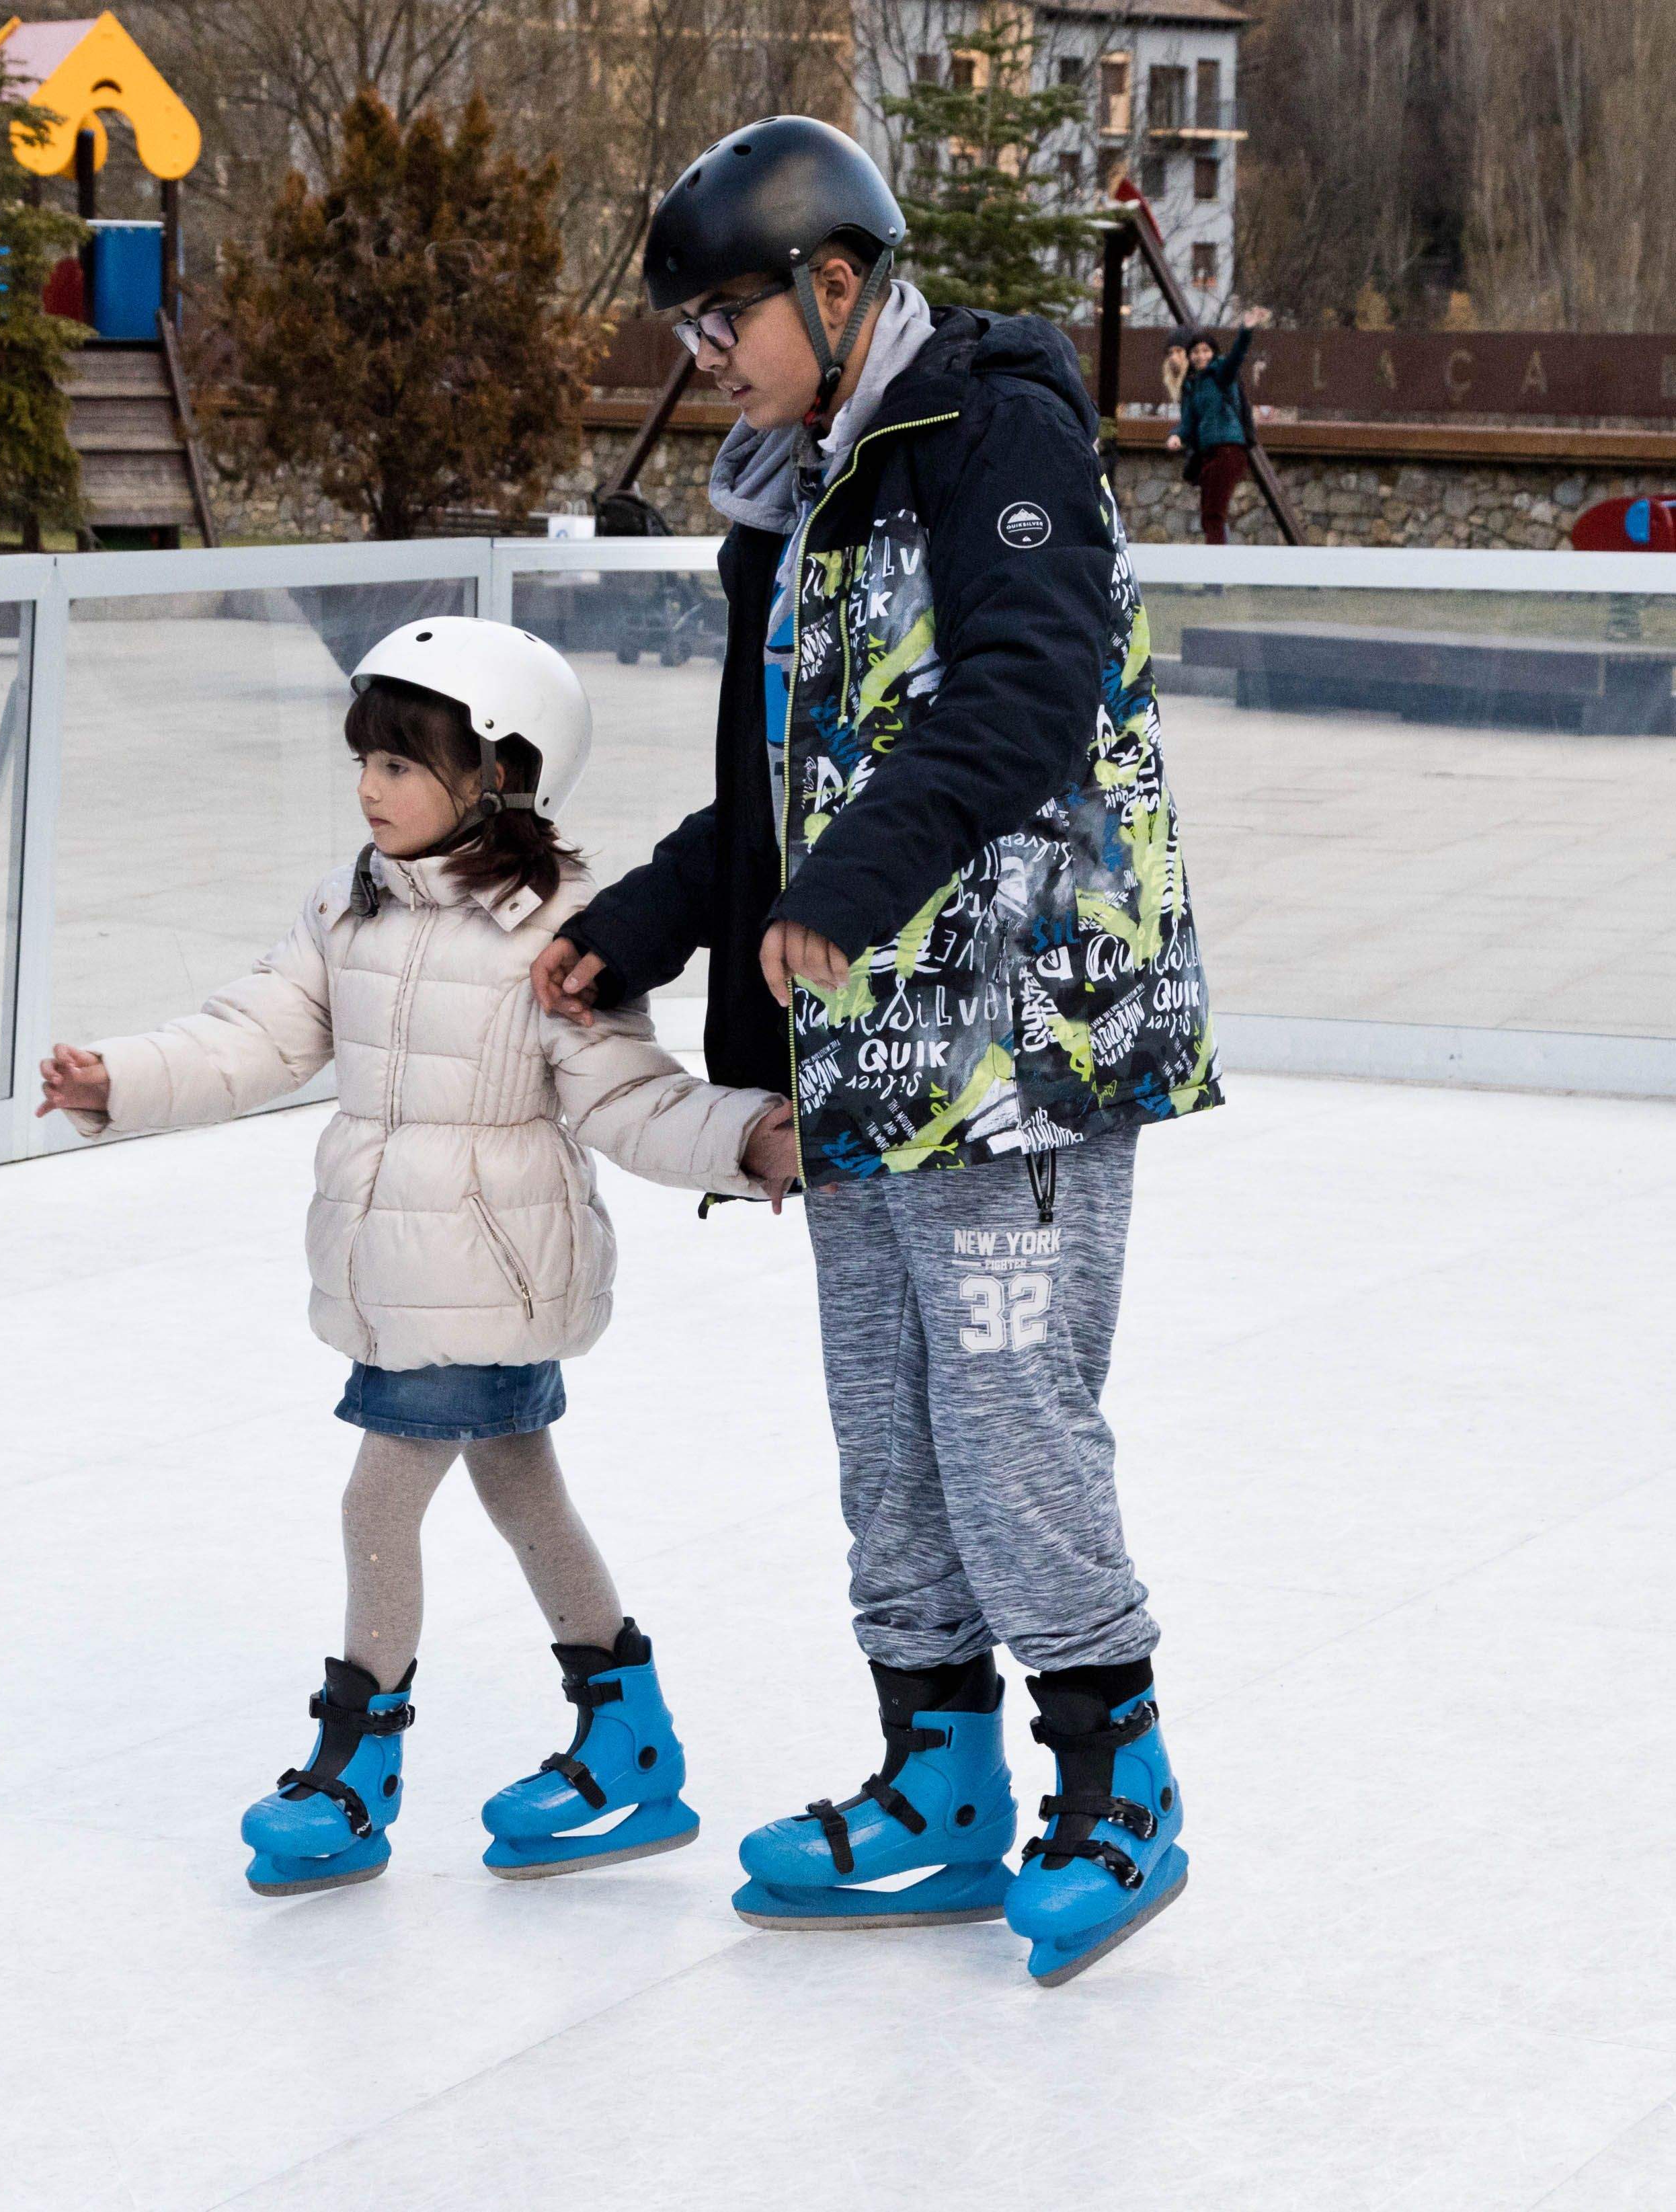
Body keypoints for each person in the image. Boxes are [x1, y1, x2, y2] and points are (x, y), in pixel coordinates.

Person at [535, 116, 1222, 1985]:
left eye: (722, 319)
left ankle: (1113, 1777)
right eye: (687, 332)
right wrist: (635, 925)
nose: (707, 362)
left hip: (1023, 1032)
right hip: (859, 1052)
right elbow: (766, 794)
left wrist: (845, 883)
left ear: (833, 285)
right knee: (886, 1425)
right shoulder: (783, 490)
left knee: (1003, 1405)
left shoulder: (992, 423)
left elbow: (1022, 687)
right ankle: (932, 1781)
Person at [37, 618, 803, 1898]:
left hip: (488, 1270)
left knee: (376, 1503)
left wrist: (752, 1137)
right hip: (403, 1271)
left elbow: (627, 1094)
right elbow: (254, 1034)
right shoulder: (350, 908)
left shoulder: (559, 927)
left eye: (400, 765)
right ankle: (628, 1742)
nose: (369, 789)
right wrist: (124, 1077)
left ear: (497, 775)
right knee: (524, 1492)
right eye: (366, 763)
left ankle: (354, 1771)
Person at [1165, 313, 1264, 543]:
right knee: (1209, 515)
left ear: (1213, 353)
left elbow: (1237, 357)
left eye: (1205, 351)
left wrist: (1246, 331)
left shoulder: (1221, 375)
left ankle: (1215, 571)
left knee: (1214, 514)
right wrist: (1177, 436)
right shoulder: (1192, 387)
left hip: (1228, 450)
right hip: (1209, 454)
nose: (1201, 357)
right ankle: (1216, 564)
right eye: (1196, 352)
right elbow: (1188, 423)